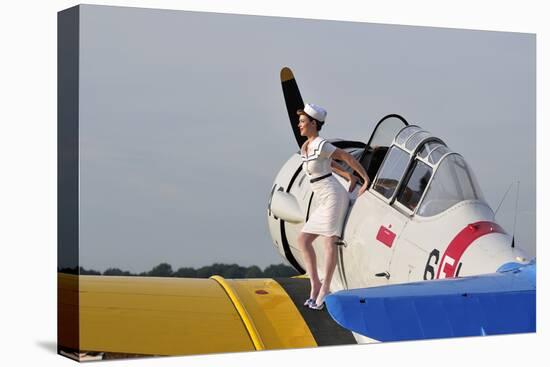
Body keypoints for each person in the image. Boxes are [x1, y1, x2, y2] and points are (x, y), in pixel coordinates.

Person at [297, 103, 370, 310]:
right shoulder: (307, 147)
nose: (299, 125)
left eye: (303, 122)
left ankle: (325, 288)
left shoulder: (321, 144)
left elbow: (345, 157)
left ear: (313, 123)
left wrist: (364, 178)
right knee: (303, 240)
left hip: (333, 197)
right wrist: (346, 174)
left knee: (329, 243)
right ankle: (315, 284)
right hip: (323, 199)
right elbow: (327, 164)